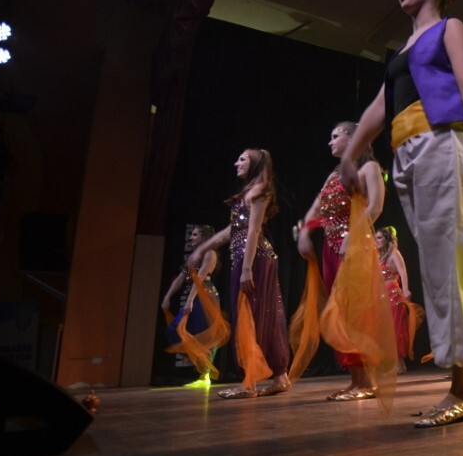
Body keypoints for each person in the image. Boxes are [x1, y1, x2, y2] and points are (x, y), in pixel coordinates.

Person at [340, 0, 463, 427]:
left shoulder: (450, 28)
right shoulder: (402, 51)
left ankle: (462, 390)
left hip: (443, 143)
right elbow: (381, 105)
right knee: (445, 267)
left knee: (450, 268)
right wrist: (350, 154)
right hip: (407, 153)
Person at [189, 148, 292, 397]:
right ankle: (280, 377)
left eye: (243, 159)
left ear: (255, 163)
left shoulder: (259, 190)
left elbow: (253, 231)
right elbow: (232, 230)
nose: (236, 163)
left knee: (249, 316)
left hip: (254, 260)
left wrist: (246, 269)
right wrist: (203, 247)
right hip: (252, 259)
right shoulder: (248, 192)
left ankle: (249, 383)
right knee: (265, 316)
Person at [296, 122, 380, 401]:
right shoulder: (333, 176)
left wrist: (353, 235)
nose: (330, 142)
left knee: (355, 312)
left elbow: (375, 207)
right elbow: (316, 209)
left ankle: (368, 382)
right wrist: (305, 233)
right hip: (331, 249)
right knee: (340, 314)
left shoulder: (369, 169)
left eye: (335, 136)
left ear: (353, 137)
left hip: (355, 248)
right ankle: (356, 381)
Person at [161, 224, 219, 385]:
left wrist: (189, 301)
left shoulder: (210, 253)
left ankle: (205, 375)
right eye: (191, 234)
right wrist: (167, 297)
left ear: (204, 237)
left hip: (207, 297)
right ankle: (203, 370)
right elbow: (180, 278)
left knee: (205, 334)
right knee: (175, 331)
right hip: (195, 296)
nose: (190, 237)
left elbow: (200, 278)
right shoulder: (193, 257)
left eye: (195, 234)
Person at [375, 226, 418, 375]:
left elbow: (403, 271)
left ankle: (398, 366)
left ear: (387, 239)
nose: (376, 241)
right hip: (383, 297)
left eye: (379, 238)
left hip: (394, 296)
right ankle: (399, 365)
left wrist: (406, 289)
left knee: (395, 331)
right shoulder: (380, 255)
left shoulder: (394, 253)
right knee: (387, 331)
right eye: (375, 238)